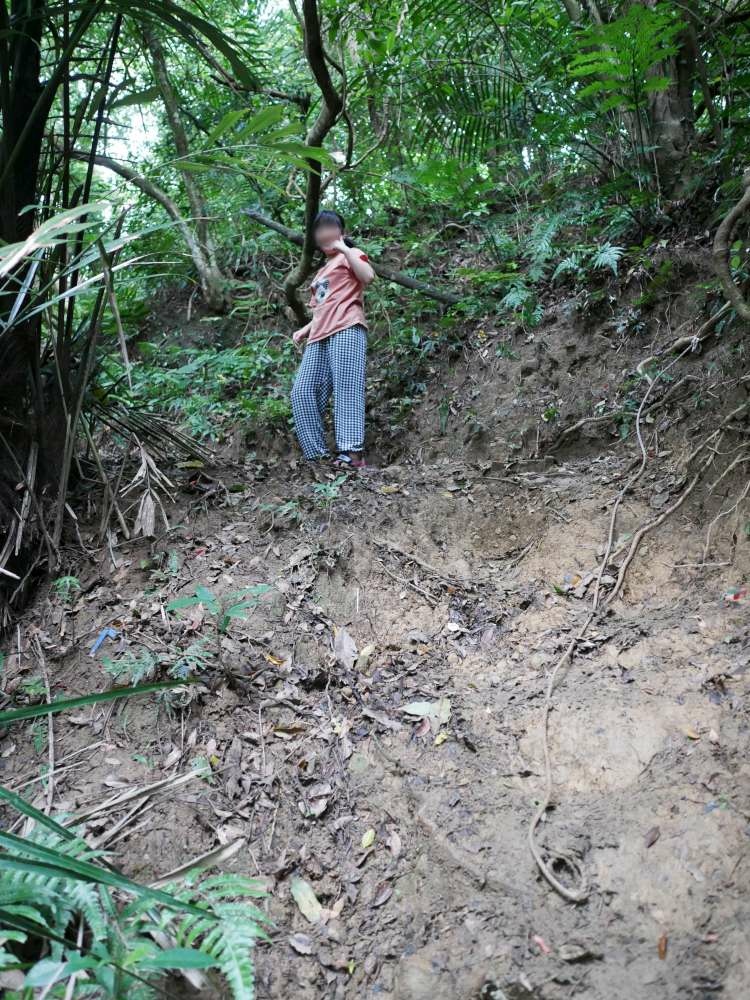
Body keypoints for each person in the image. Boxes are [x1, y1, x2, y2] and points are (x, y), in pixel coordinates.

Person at [290, 209, 375, 470]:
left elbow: (368, 276)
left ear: (341, 232)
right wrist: (306, 328)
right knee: (302, 392)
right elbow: (322, 307)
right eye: (320, 229)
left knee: (346, 388)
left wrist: (345, 248)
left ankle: (352, 453)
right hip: (319, 335)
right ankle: (317, 455)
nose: (325, 232)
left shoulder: (352, 255)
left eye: (330, 227)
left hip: (347, 327)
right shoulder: (320, 273)